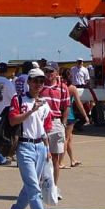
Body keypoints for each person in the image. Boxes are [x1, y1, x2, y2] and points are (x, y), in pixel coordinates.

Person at [3, 67, 56, 209]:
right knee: (33, 186)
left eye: (41, 81)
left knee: (31, 186)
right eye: (35, 81)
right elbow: (12, 121)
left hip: (40, 146)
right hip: (24, 147)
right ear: (29, 82)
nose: (38, 84)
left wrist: (47, 149)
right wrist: (31, 110)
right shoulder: (19, 100)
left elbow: (45, 128)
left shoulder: (45, 105)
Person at [40, 62, 69, 199]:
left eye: (51, 71)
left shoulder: (63, 88)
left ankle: (54, 187)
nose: (48, 74)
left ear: (57, 73)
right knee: (42, 157)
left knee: (56, 158)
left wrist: (63, 123)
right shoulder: (40, 86)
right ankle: (42, 186)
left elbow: (66, 106)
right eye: (46, 71)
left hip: (56, 123)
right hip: (42, 124)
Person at [60, 67, 89, 168]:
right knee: (66, 139)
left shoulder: (59, 87)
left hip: (60, 114)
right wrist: (85, 115)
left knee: (69, 138)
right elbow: (79, 104)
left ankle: (72, 159)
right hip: (69, 115)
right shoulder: (72, 88)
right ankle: (61, 162)